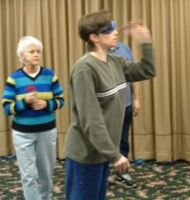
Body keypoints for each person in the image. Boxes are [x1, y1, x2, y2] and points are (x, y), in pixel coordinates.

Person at [64, 10, 155, 200]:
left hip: (104, 151)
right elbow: (91, 119)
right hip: (87, 154)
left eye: (114, 27)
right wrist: (115, 155)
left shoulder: (115, 61)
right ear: (94, 37)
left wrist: (145, 41)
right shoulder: (84, 69)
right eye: (108, 30)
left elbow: (147, 70)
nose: (115, 32)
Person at [1, 36, 64, 200]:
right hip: (22, 134)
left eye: (38, 51)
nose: (36, 55)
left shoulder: (50, 75)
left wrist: (47, 104)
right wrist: (25, 102)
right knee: (29, 176)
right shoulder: (14, 78)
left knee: (46, 174)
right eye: (32, 52)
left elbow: (61, 100)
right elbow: (7, 108)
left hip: (47, 131)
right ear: (22, 56)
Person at [108, 41, 140, 187]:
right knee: (105, 141)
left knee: (123, 140)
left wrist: (136, 99)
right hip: (107, 108)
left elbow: (134, 74)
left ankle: (122, 174)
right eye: (110, 31)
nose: (115, 34)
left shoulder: (124, 48)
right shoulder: (97, 54)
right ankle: (102, 175)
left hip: (126, 104)